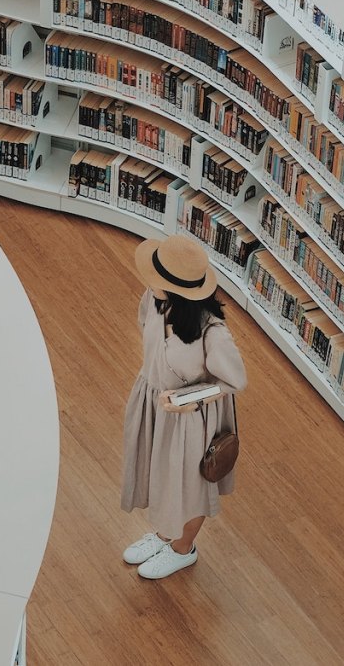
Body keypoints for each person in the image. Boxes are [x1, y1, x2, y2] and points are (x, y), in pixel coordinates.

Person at [121, 233, 248, 579]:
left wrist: (187, 398)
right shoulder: (154, 298)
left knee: (191, 487)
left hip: (191, 419)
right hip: (155, 401)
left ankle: (183, 548)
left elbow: (235, 381)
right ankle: (164, 535)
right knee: (163, 477)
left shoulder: (213, 334)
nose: (150, 283)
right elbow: (144, 328)